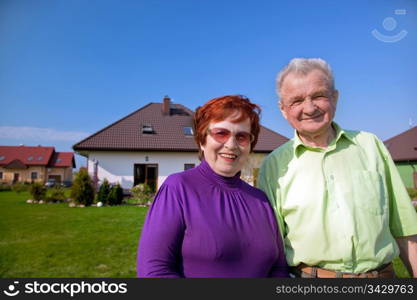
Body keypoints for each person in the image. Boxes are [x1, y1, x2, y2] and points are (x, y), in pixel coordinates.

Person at [258, 58, 417, 278]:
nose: (310, 107)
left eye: (319, 96)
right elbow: (272, 246)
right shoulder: (273, 165)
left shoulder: (370, 145)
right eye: (296, 101)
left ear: (335, 98)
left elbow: (405, 227)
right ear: (283, 109)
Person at [137, 95, 288, 278]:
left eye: (242, 137)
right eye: (221, 133)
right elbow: (154, 271)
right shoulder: (178, 189)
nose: (231, 145)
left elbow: (279, 269)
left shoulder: (260, 200)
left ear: (250, 144)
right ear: (202, 140)